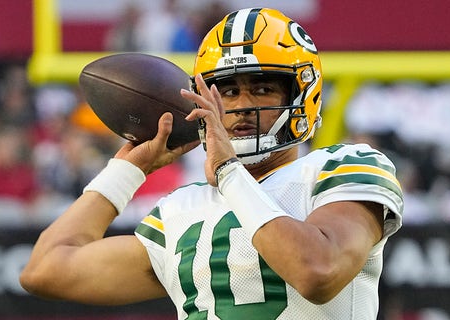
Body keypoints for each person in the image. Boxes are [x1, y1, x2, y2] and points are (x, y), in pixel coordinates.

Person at [20, 8, 403, 320]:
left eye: (263, 88)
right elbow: (46, 269)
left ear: (304, 97)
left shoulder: (340, 167)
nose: (240, 107)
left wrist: (229, 173)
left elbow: (318, 272)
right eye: (229, 91)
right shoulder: (179, 210)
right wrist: (127, 170)